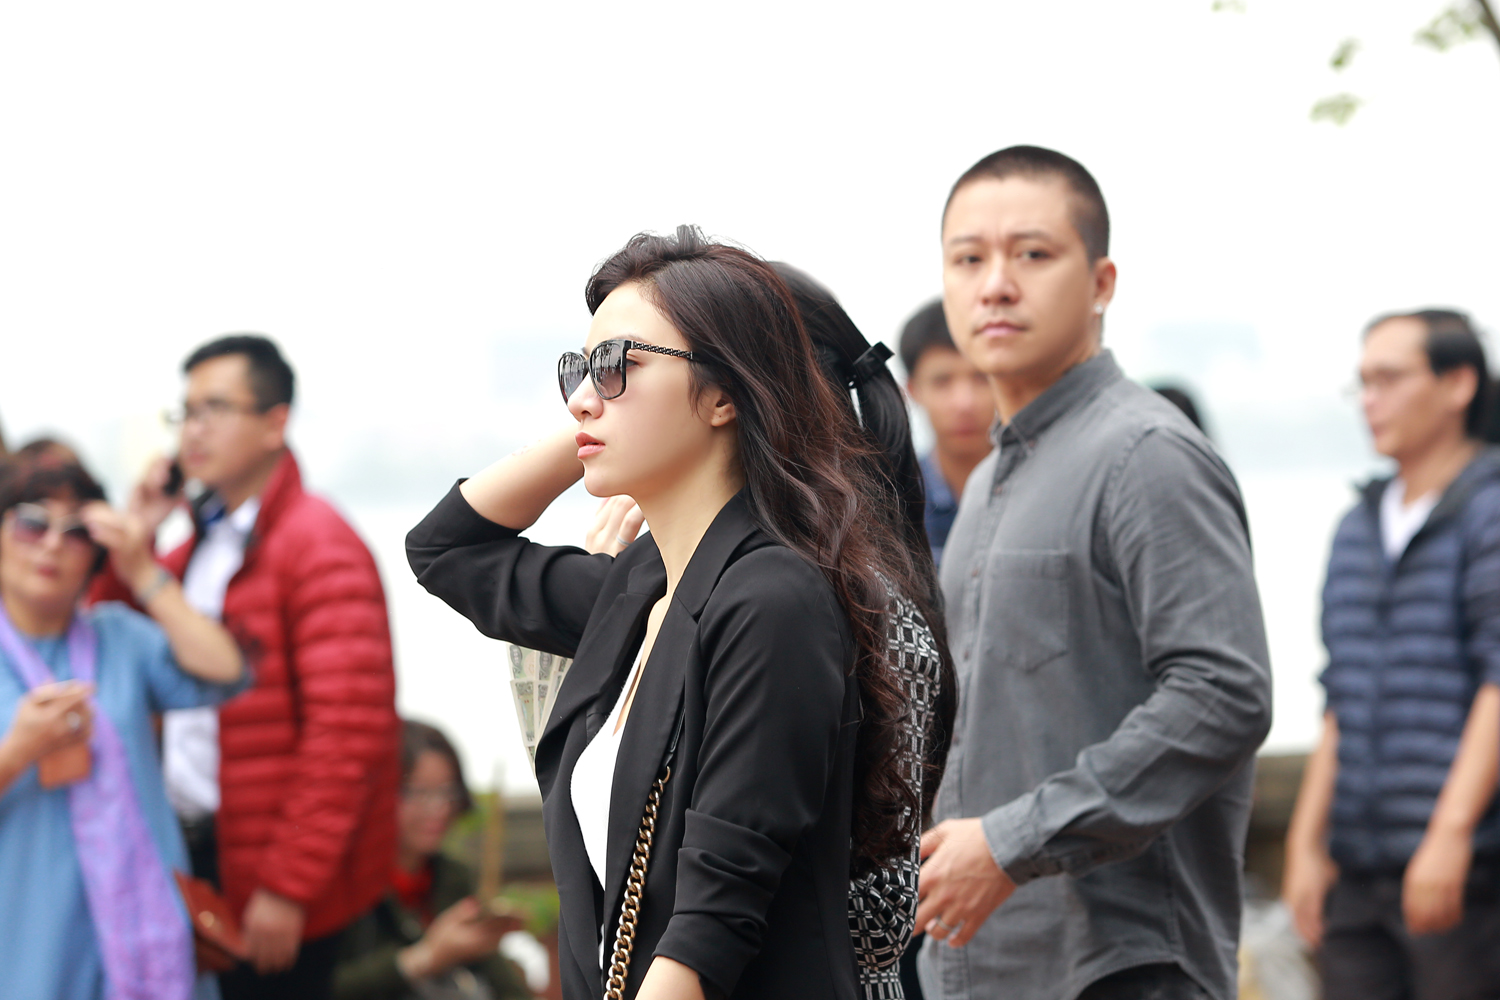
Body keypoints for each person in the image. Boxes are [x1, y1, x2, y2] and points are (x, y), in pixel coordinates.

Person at [407, 225, 935, 1000]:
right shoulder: (641, 584)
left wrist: (616, 413)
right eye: (579, 368)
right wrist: (599, 418)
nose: (582, 396)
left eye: (619, 364)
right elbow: (445, 551)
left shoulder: (775, 597)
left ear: (724, 394)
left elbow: (713, 919)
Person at [913, 146, 1272, 1000]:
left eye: (1032, 254)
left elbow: (1225, 694)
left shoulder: (1146, 455)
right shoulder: (991, 478)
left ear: (1101, 282)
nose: (996, 285)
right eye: (969, 259)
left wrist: (1012, 841)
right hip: (984, 963)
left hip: (1118, 965)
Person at [589, 263, 958, 1000]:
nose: (592, 393)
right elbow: (452, 554)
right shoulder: (690, 578)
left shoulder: (821, 596)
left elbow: (879, 906)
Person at [91, 334, 401, 1000]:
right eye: (186, 412)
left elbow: (348, 733)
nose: (193, 430)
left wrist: (288, 887)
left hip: (270, 873)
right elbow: (105, 644)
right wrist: (141, 532)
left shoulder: (317, 543)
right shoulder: (204, 543)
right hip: (195, 852)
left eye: (215, 409)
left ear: (274, 423)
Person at [1282, 309, 1500, 1000]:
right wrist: (1306, 845)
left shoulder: (1488, 508)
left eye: (1390, 379)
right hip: (1359, 868)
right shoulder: (1357, 524)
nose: (1370, 401)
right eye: (1363, 384)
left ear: (1458, 383)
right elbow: (1339, 694)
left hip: (1469, 871)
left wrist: (1451, 836)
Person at [0, 457, 247, 1000]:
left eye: (77, 531)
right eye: (32, 522)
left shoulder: (119, 638)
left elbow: (226, 670)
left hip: (142, 941)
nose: (52, 545)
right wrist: (17, 751)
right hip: (28, 947)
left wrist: (140, 569)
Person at [335, 719, 533, 1000]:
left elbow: (505, 986)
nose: (439, 808)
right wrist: (425, 957)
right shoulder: (344, 883)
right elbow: (319, 988)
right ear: (379, 792)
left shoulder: (452, 877)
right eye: (419, 792)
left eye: (447, 792)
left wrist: (486, 935)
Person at [896, 300, 994, 565]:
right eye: (942, 381)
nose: (964, 403)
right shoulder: (894, 500)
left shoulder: (1042, 491)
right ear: (913, 391)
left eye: (982, 378)